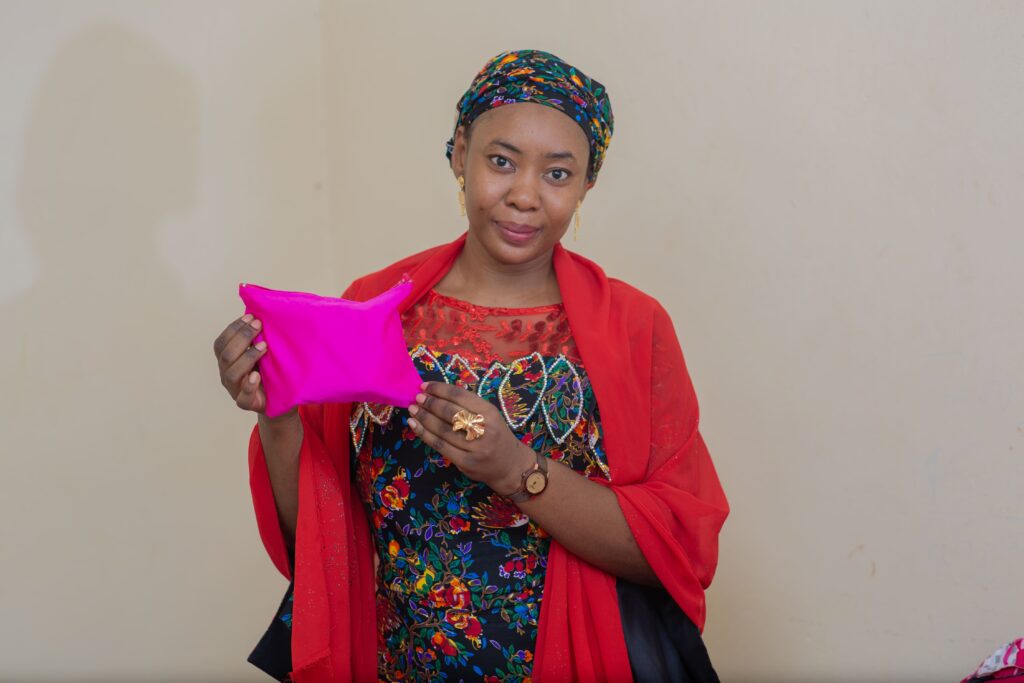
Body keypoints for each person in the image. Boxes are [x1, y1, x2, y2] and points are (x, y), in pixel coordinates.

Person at [214, 49, 729, 683]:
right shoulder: (374, 308)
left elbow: (675, 549)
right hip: (401, 666)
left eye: (557, 173)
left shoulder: (634, 329)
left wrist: (516, 470)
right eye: (501, 161)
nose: (524, 196)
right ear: (460, 153)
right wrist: (276, 411)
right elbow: (317, 543)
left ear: (586, 186)